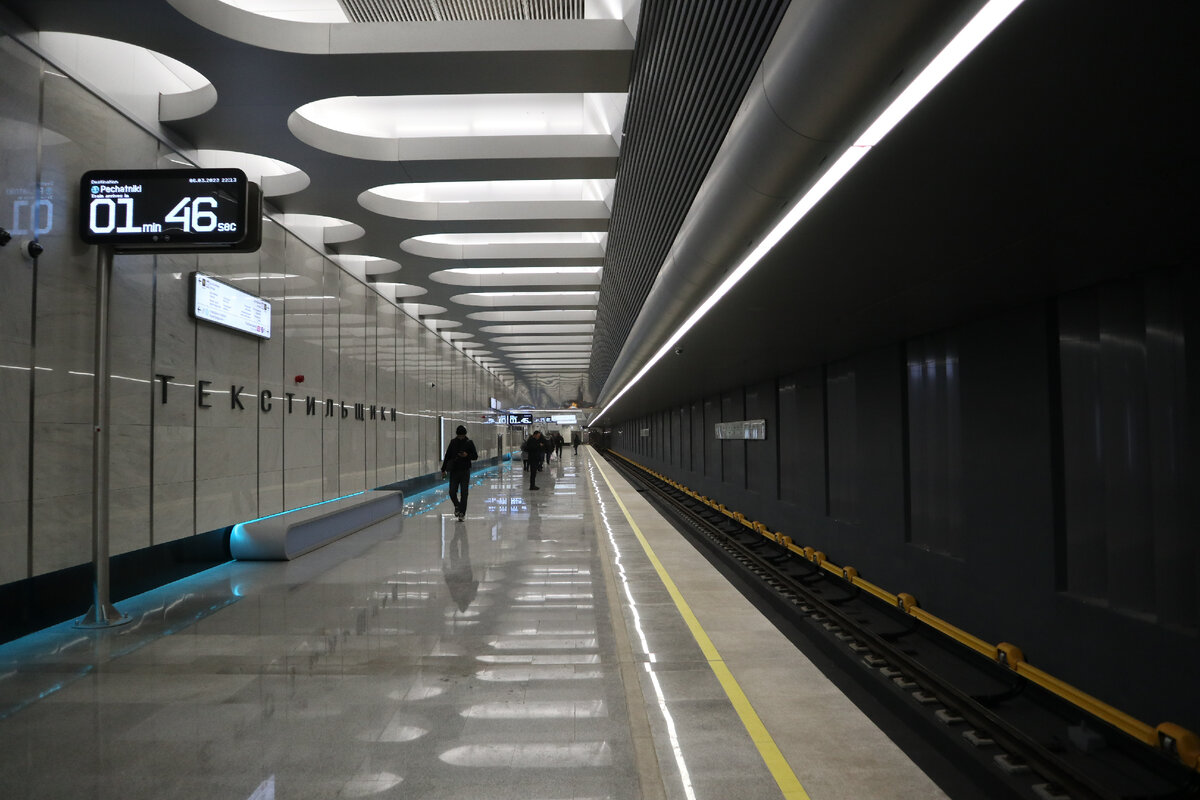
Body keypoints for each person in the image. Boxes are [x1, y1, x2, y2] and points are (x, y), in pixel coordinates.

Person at [441, 425, 478, 520]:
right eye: (459, 436)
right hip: (454, 470)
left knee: (464, 493)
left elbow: (475, 456)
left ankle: (462, 513)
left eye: (462, 436)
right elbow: (447, 456)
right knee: (452, 492)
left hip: (465, 471)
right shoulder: (453, 442)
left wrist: (467, 455)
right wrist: (443, 469)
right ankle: (457, 505)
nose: (461, 437)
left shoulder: (469, 443)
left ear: (465, 434)